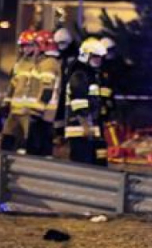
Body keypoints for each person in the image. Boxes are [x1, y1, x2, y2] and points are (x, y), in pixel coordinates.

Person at [64, 37, 109, 166]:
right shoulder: (80, 75)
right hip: (79, 129)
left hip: (90, 127)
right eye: (95, 56)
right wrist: (85, 125)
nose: (98, 60)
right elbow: (79, 103)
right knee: (83, 165)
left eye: (100, 57)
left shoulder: (91, 74)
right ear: (86, 55)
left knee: (98, 161)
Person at [25, 30, 63, 156]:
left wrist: (37, 110)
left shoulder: (48, 64)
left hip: (42, 115)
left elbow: (47, 90)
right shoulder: (45, 63)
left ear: (43, 46)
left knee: (37, 151)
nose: (33, 49)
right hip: (42, 114)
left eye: (35, 45)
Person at [0, 29, 38, 152]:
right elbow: (12, 86)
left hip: (28, 111)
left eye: (28, 46)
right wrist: (5, 104)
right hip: (15, 110)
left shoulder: (39, 64)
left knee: (27, 142)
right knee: (7, 137)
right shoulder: (19, 65)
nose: (25, 49)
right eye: (23, 46)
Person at [53, 27, 78, 144]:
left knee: (69, 113)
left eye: (63, 43)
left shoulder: (74, 56)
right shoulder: (57, 56)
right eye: (58, 43)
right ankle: (59, 135)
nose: (60, 46)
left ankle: (67, 137)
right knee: (58, 114)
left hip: (69, 89)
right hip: (59, 89)